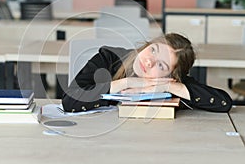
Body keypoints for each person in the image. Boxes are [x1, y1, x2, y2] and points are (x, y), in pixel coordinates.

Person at [62, 33, 232, 113]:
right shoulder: (108, 58)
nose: (149, 61)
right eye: (153, 50)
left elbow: (223, 103)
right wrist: (125, 83)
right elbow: (69, 101)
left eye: (161, 65)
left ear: (171, 75)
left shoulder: (169, 82)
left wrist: (167, 86)